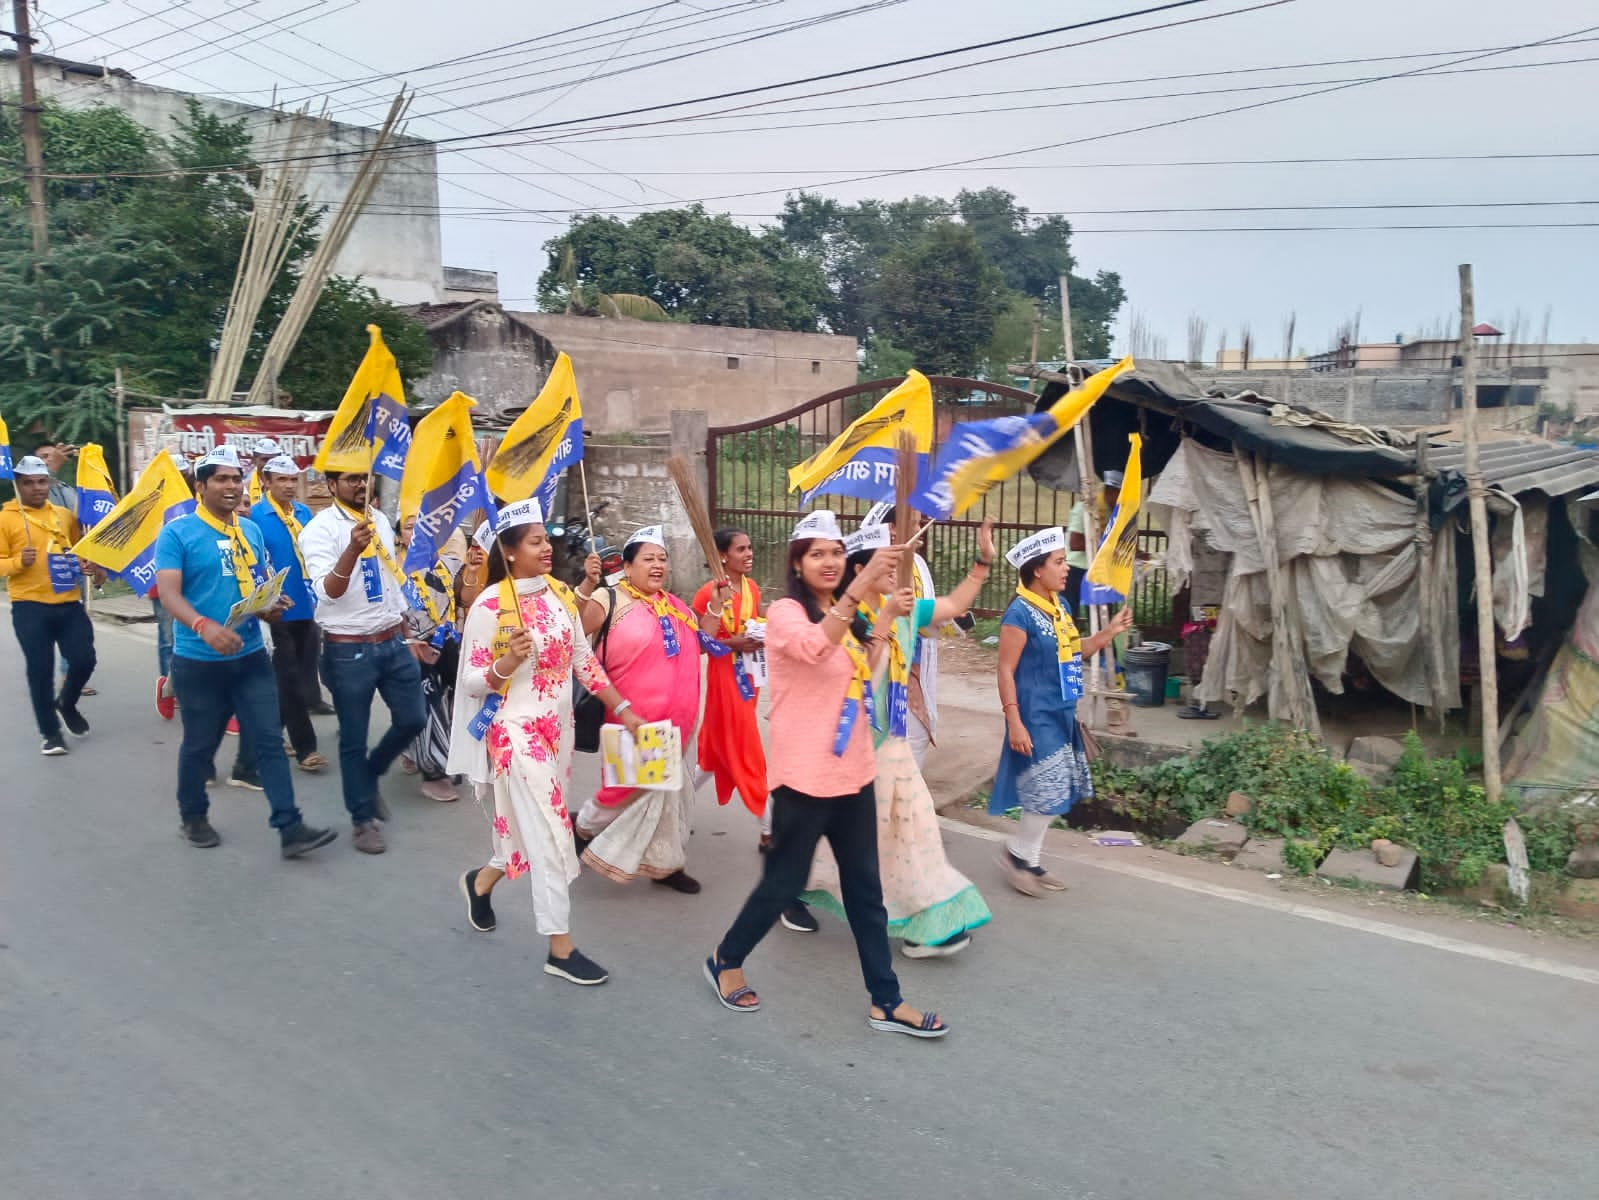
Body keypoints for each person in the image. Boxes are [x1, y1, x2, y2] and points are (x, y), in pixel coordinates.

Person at [705, 510, 948, 1039]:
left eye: (837, 552)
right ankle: (726, 958)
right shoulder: (787, 614)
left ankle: (886, 1000)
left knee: (866, 892)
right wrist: (860, 589)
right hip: (805, 777)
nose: (831, 561)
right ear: (797, 562)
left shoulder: (850, 613)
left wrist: (882, 622)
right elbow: (817, 649)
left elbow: (865, 674)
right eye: (817, 553)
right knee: (782, 883)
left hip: (854, 771)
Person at [449, 500, 644, 986]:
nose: (547, 548)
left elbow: (584, 661)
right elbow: (472, 682)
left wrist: (625, 710)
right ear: (510, 551)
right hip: (513, 733)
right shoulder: (491, 605)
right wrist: (505, 664)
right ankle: (560, 947)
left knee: (528, 827)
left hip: (556, 733)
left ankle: (481, 881)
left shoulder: (559, 596)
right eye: (535, 541)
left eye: (547, 540)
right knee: (554, 834)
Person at [797, 515, 998, 957]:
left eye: (897, 567)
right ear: (859, 572)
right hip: (851, 747)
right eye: (888, 569)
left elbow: (953, 606)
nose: (897, 576)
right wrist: (886, 617)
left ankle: (923, 920)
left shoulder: (904, 611)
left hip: (894, 746)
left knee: (911, 831)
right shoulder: (844, 621)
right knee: (867, 835)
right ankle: (794, 883)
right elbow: (863, 677)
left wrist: (982, 564)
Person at [154, 446, 336, 857]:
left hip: (251, 655)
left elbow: (256, 589)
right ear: (200, 486)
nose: (232, 486)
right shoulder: (178, 532)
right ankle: (193, 816)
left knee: (269, 740)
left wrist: (270, 609)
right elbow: (168, 593)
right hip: (199, 661)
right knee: (200, 744)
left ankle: (290, 828)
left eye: (237, 478)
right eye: (221, 478)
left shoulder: (250, 530)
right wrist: (204, 626)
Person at [573, 525, 726, 892]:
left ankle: (665, 864)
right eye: (648, 559)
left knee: (669, 793)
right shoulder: (609, 600)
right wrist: (585, 586)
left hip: (680, 721)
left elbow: (702, 643)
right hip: (631, 717)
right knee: (626, 788)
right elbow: (573, 640)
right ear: (627, 567)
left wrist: (717, 605)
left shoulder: (674, 604)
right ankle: (583, 828)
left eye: (662, 558)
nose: (658, 565)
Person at [991, 526, 1133, 895]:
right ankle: (1018, 856)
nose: (1067, 568)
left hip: (1062, 710)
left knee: (1052, 791)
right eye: (1058, 562)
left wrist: (1111, 632)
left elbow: (1076, 651)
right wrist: (1014, 721)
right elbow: (1005, 670)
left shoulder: (1060, 607)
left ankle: (1029, 861)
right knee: (1048, 791)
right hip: (1034, 714)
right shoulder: (1019, 615)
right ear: (1037, 569)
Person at [298, 469, 426, 854]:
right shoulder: (319, 530)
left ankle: (368, 775)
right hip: (348, 648)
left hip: (391, 639)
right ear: (332, 485)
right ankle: (362, 819)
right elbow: (328, 593)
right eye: (350, 478)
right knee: (353, 738)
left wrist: (408, 633)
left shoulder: (380, 520)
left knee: (413, 718)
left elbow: (389, 580)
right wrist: (352, 549)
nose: (359, 484)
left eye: (362, 478)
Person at [0, 455, 101, 755]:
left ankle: (66, 703)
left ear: (49, 482)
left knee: (84, 660)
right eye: (28, 483)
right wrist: (19, 561)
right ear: (18, 485)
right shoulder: (5, 518)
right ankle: (51, 733)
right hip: (29, 605)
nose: (36, 488)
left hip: (69, 602)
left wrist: (88, 565)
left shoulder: (64, 515)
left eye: (41, 481)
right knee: (40, 670)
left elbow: (78, 550)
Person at [690, 527, 768, 835]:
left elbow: (761, 619)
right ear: (723, 556)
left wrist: (762, 633)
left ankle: (673, 807)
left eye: (749, 548)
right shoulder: (708, 592)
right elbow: (701, 642)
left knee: (715, 752)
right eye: (741, 549)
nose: (749, 554)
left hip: (751, 674)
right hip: (725, 674)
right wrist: (734, 643)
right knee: (746, 746)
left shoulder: (753, 588)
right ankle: (769, 826)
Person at [250, 455, 326, 772]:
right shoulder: (255, 517)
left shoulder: (305, 513)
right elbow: (254, 564)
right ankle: (306, 747)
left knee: (301, 677)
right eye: (281, 479)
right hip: (277, 610)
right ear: (266, 481)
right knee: (289, 677)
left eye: (293, 479)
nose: (289, 485)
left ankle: (270, 731)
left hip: (309, 606)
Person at [400, 515, 466, 803]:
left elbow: (466, 595)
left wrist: (473, 572)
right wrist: (409, 642)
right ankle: (433, 773)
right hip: (411, 644)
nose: (415, 533)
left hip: (448, 642)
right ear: (399, 535)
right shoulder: (392, 569)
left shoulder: (449, 564)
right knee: (426, 707)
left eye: (422, 527)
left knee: (454, 700)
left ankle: (427, 753)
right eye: (408, 527)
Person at [154, 450, 195, 721]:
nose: (179, 480)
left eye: (183, 475)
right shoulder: (152, 507)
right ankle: (170, 687)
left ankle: (187, 685)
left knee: (188, 636)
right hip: (162, 586)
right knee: (169, 639)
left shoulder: (197, 504)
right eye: (174, 476)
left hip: (193, 583)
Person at [1066, 469, 1121, 618]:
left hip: (1099, 569)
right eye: (1120, 494)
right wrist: (1108, 547)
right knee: (1070, 617)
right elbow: (1075, 543)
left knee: (1102, 617)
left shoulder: (1113, 511)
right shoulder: (1084, 508)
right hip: (1077, 569)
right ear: (1109, 490)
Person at [245, 436, 281, 507]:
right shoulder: (246, 487)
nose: (269, 463)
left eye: (273, 459)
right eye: (265, 460)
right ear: (255, 460)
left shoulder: (286, 485)